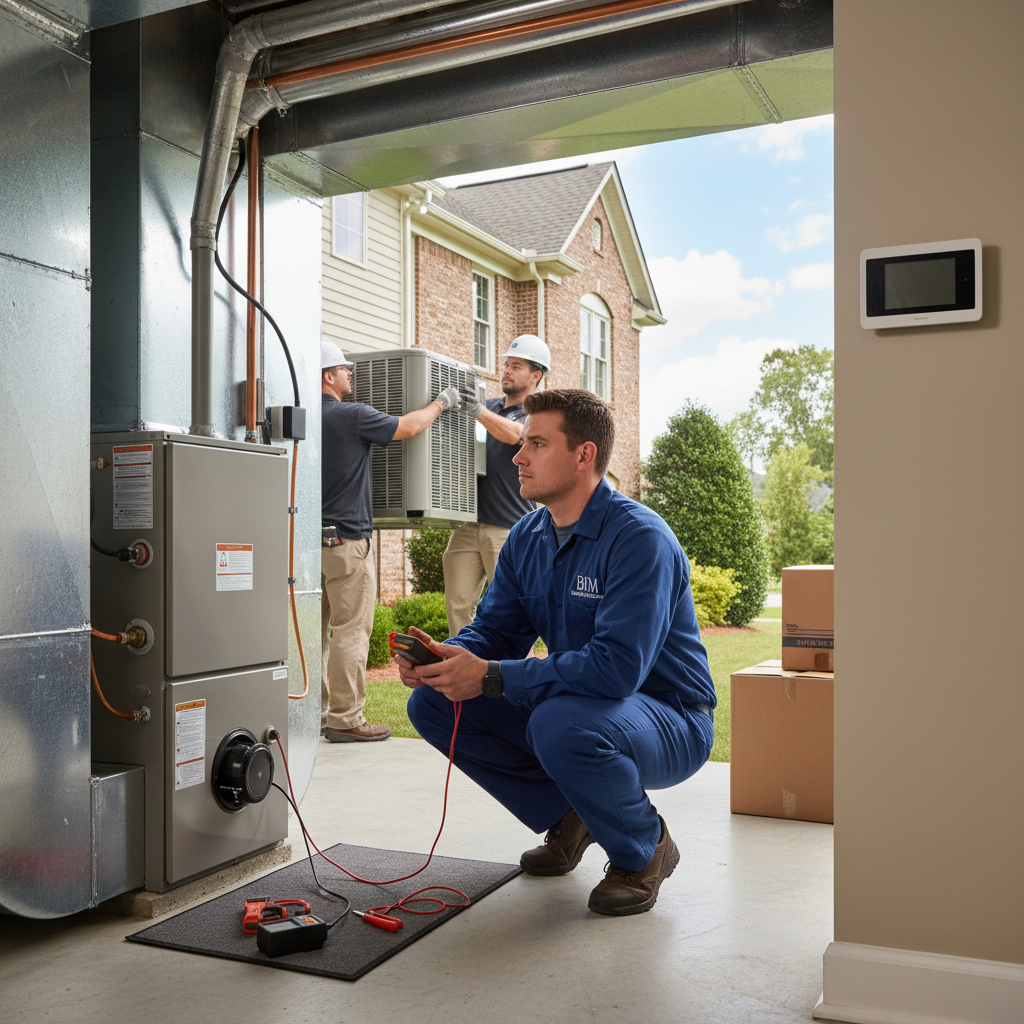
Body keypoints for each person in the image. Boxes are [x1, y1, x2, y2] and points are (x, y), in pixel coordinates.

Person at [396, 389, 716, 916]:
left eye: (536, 444)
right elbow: (496, 631)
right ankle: (574, 815)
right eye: (522, 443)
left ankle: (644, 849)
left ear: (583, 455)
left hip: (672, 717)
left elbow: (615, 671)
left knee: (561, 724)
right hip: (589, 704)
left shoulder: (639, 539)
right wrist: (449, 657)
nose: (518, 457)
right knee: (432, 704)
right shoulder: (529, 536)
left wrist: (494, 677)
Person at [321, 339, 460, 743]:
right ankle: (345, 720)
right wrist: (441, 402)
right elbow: (409, 427)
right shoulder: (351, 415)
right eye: (345, 369)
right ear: (329, 376)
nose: (352, 374)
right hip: (347, 540)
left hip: (306, 542)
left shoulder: (302, 418)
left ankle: (310, 712)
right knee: (350, 630)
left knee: (314, 631)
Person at [442, 334, 549, 635]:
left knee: (510, 609)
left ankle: (514, 676)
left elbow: (516, 433)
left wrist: (478, 411)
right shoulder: (488, 406)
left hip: (509, 526)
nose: (506, 371)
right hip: (468, 523)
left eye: (516, 366)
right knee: (458, 604)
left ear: (536, 375)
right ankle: (462, 670)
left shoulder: (538, 413)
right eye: (506, 365)